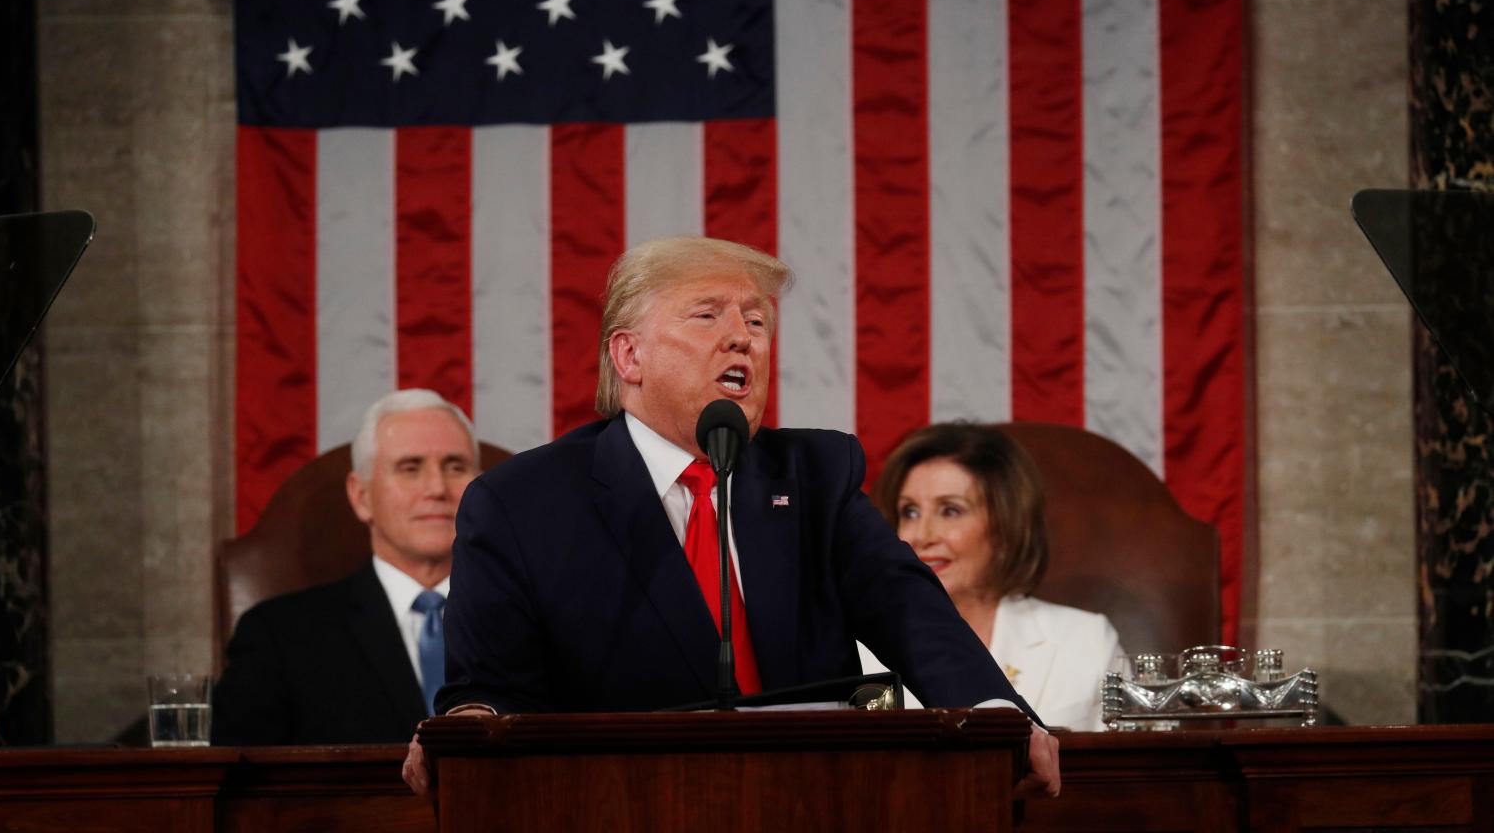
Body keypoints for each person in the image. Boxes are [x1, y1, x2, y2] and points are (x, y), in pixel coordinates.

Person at [402, 236, 1059, 796]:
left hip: (818, 802)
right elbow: (490, 688)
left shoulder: (812, 476)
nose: (742, 337)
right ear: (629, 356)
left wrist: (995, 711)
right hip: (618, 807)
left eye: (756, 320)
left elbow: (905, 607)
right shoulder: (523, 504)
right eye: (707, 315)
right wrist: (471, 722)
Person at [212, 389, 478, 744]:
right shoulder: (280, 637)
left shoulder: (534, 624)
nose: (437, 488)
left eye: (456, 467)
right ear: (361, 496)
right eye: (410, 468)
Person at [858, 422, 1123, 730]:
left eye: (951, 510)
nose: (922, 535)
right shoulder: (856, 649)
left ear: (1005, 525)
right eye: (910, 512)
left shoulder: (1085, 640)